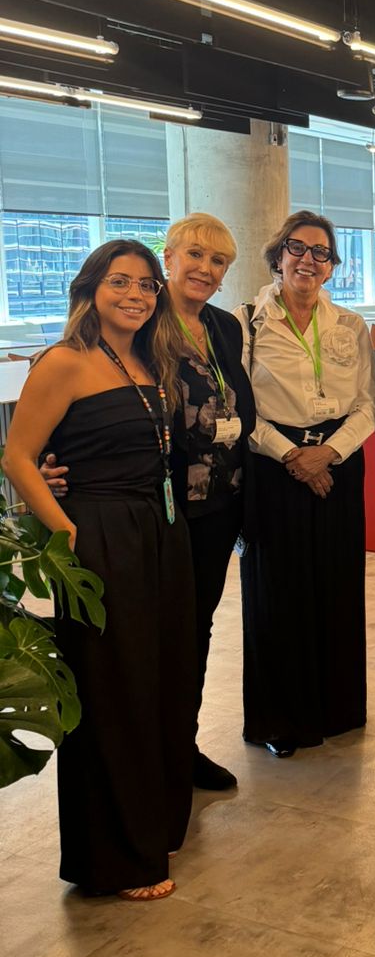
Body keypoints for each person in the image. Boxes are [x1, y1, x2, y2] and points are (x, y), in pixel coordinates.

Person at [2, 241, 195, 900]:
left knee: (160, 682)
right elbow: (19, 458)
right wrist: (68, 531)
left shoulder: (148, 358)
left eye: (146, 284)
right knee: (115, 694)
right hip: (101, 536)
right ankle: (117, 859)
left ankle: (154, 826)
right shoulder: (63, 361)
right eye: (120, 282)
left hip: (158, 532)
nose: (135, 295)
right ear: (91, 288)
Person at [41, 213, 253, 792]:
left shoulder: (224, 328)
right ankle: (149, 757)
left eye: (218, 262)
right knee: (143, 642)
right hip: (154, 510)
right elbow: (95, 403)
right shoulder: (141, 320)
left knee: (193, 633)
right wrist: (56, 464)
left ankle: (179, 744)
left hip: (216, 509)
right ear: (169, 260)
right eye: (195, 256)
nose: (205, 270)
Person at [238, 210, 375, 757]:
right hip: (274, 467)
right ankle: (282, 720)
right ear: (278, 255)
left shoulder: (349, 325)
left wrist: (329, 453)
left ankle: (337, 708)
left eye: (321, 252)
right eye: (298, 248)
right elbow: (238, 408)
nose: (308, 260)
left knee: (336, 586)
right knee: (280, 594)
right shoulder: (246, 320)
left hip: (338, 463)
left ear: (332, 266)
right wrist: (293, 454)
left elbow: (369, 404)